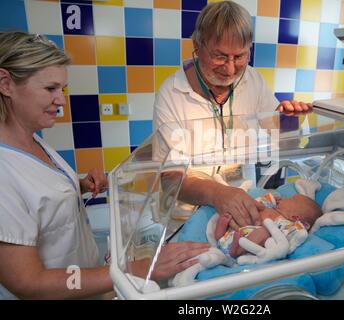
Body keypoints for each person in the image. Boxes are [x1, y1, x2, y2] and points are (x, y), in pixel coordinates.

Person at [0, 31, 210, 300]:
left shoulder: (33, 141)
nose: (61, 100)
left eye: (62, 89)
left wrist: (79, 185)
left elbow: (33, 197)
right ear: (5, 84)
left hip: (83, 282)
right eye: (50, 89)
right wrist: (135, 269)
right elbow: (30, 283)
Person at [153, 1, 313, 231]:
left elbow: (285, 141)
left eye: (239, 56)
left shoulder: (252, 80)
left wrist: (289, 119)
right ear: (197, 46)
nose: (230, 70)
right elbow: (170, 178)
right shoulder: (173, 93)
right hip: (185, 220)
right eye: (219, 57)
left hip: (242, 210)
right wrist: (218, 193)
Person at [215, 192, 323, 258]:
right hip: (229, 237)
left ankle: (236, 251)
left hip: (243, 245)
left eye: (290, 199)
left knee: (264, 232)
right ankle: (220, 232)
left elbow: (293, 233)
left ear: (295, 217)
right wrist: (270, 198)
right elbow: (256, 203)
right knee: (233, 216)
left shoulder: (285, 223)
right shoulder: (271, 207)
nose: (284, 198)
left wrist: (299, 226)